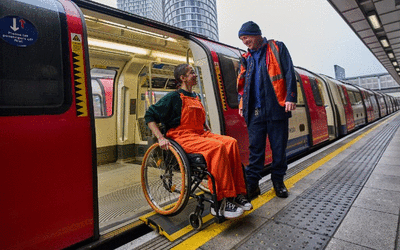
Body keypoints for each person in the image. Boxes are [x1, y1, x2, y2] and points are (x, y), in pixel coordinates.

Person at [145, 64, 252, 219]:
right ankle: (220, 201)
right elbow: (150, 116)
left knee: (231, 142)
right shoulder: (173, 97)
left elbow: (201, 122)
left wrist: (209, 132)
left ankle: (236, 193)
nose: (195, 75)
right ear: (182, 78)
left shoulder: (196, 97)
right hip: (182, 136)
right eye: (192, 73)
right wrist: (161, 138)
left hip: (200, 134)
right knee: (218, 147)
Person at [237, 21, 297, 199]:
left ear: (256, 34)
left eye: (245, 37)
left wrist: (290, 97)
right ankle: (252, 185)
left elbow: (289, 71)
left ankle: (278, 182)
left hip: (276, 107)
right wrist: (242, 104)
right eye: (241, 39)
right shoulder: (245, 57)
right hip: (254, 110)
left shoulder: (277, 47)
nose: (244, 41)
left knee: (278, 149)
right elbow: (241, 85)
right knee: (255, 150)